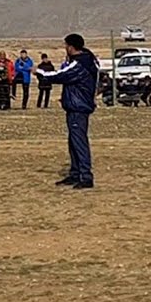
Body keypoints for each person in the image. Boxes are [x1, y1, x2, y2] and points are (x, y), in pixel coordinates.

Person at [34, 34, 98, 188]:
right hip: (74, 106)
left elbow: (60, 75)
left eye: (66, 45)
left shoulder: (79, 64)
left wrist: (39, 72)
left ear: (71, 46)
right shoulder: (86, 60)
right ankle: (75, 173)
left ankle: (85, 176)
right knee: (73, 141)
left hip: (78, 107)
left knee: (79, 141)